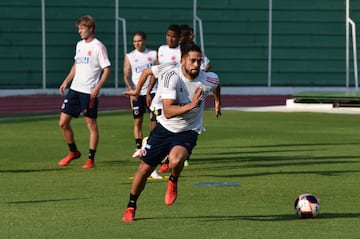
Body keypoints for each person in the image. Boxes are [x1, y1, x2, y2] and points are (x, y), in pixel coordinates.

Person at [122, 43, 221, 222]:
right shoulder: (171, 76)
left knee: (176, 160)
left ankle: (173, 180)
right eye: (192, 61)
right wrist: (191, 105)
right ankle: (131, 205)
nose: (197, 65)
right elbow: (168, 111)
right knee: (144, 169)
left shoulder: (209, 79)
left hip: (188, 130)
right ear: (182, 60)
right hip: (164, 127)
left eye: (200, 61)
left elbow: (216, 84)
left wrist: (217, 102)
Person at [58, 15, 111, 169]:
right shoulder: (79, 45)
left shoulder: (98, 46)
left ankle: (90, 159)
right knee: (63, 123)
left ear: (90, 29)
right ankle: (73, 152)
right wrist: (66, 80)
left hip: (89, 92)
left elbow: (106, 69)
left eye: (82, 28)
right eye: (79, 28)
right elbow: (76, 64)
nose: (79, 31)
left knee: (91, 125)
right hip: (74, 89)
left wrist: (98, 87)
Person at [123, 31, 162, 179]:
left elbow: (156, 72)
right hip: (137, 93)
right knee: (137, 121)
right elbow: (126, 74)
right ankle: (139, 147)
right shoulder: (129, 56)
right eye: (134, 41)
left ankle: (150, 145)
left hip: (152, 92)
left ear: (145, 41)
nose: (137, 43)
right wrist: (131, 90)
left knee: (155, 121)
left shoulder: (153, 54)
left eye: (139, 41)